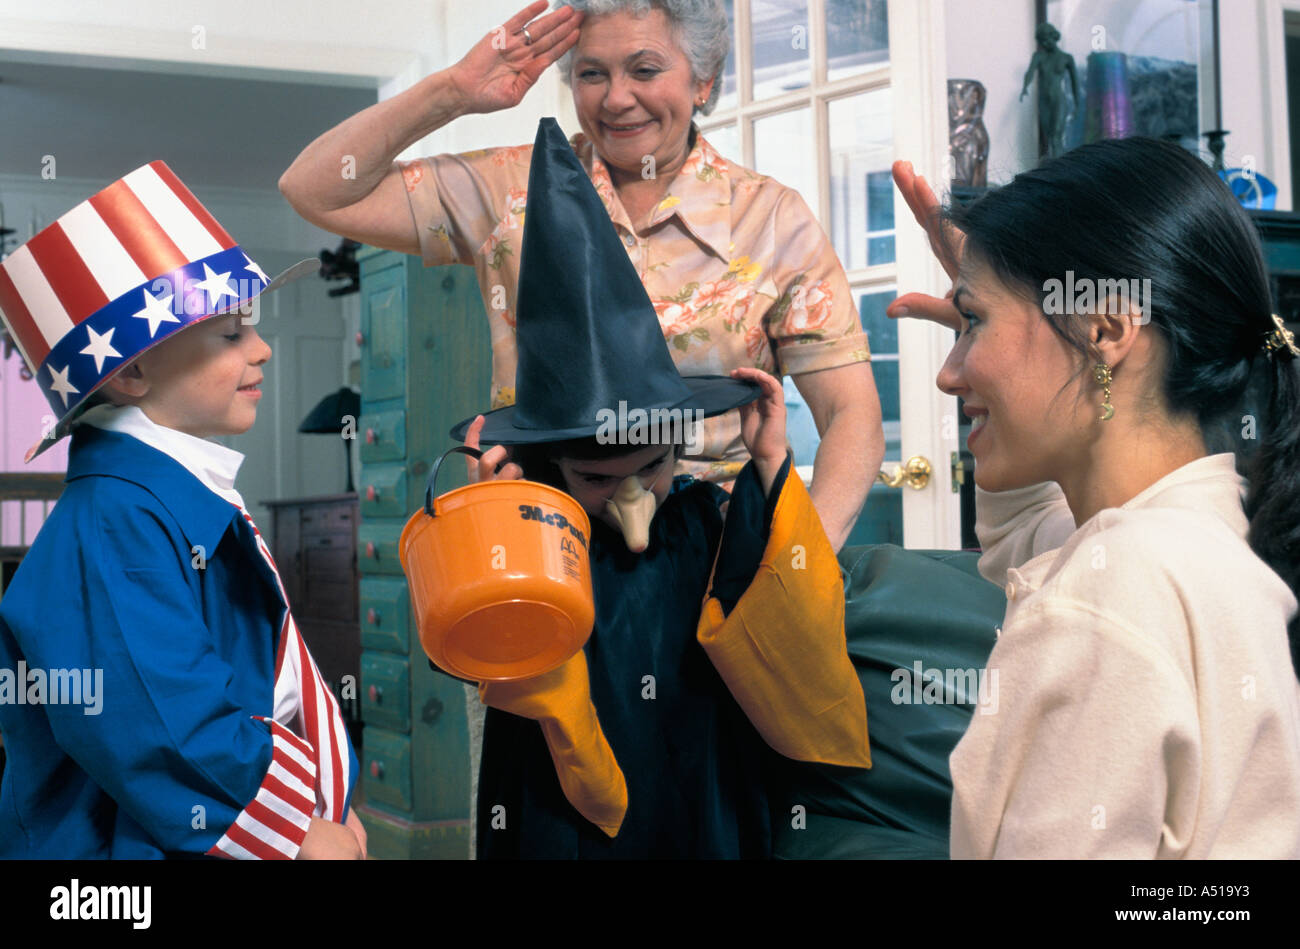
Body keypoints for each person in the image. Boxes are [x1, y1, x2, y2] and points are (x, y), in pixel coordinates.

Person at [409, 119, 870, 858]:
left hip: (697, 762)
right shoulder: (533, 529)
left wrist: (767, 470)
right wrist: (488, 533)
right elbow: (461, 647)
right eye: (596, 478)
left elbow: (775, 607)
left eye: (653, 469)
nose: (634, 501)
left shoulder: (703, 517)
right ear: (548, 465)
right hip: (560, 797)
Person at [278, 0, 882, 552]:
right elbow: (317, 191)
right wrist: (454, 91)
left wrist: (800, 565)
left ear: (704, 80)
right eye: (593, 74)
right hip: (539, 543)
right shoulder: (510, 192)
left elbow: (851, 418)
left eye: (644, 70)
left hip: (719, 558)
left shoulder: (772, 218)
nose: (616, 98)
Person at [889, 139, 1300, 858]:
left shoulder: (1113, 592)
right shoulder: (1208, 528)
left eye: (975, 324)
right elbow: (1030, 526)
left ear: (1106, 329)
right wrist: (988, 300)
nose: (949, 374)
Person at [0, 162, 364, 859]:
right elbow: (160, 723)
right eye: (230, 335)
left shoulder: (172, 497)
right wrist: (299, 833)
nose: (261, 349)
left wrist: (327, 806)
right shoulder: (115, 519)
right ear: (131, 373)